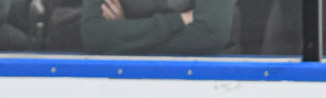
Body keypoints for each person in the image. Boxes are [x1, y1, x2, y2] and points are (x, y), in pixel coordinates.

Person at [80, 0, 239, 55]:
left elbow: (210, 34)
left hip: (211, 81)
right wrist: (180, 19)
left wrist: (127, 33)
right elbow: (95, 36)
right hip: (121, 81)